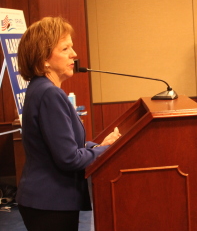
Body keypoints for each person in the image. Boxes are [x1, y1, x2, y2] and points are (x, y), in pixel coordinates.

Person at [16, 17, 121, 231]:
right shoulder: (49, 93)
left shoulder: (41, 89)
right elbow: (69, 158)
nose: (74, 54)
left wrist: (98, 146)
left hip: (46, 201)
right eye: (65, 48)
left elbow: (61, 147)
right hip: (50, 203)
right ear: (44, 58)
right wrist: (107, 149)